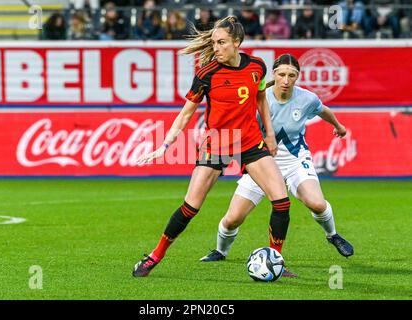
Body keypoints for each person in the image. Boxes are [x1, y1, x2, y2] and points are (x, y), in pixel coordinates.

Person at [132, 16, 293, 278]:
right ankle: (154, 256)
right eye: (213, 43)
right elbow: (185, 114)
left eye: (221, 43)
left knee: (282, 202)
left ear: (236, 42)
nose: (215, 48)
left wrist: (270, 135)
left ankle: (276, 260)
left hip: (251, 141)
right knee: (190, 207)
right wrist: (165, 145)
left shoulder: (257, 67)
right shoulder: (207, 73)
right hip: (217, 143)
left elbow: (261, 98)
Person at [199, 54, 354, 271]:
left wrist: (338, 126)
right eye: (281, 74)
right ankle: (220, 251)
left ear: (297, 77)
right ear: (274, 74)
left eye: (292, 75)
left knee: (317, 203)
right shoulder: (257, 98)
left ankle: (332, 235)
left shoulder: (307, 99)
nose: (286, 80)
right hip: (260, 162)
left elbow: (323, 110)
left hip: (295, 161)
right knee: (232, 219)